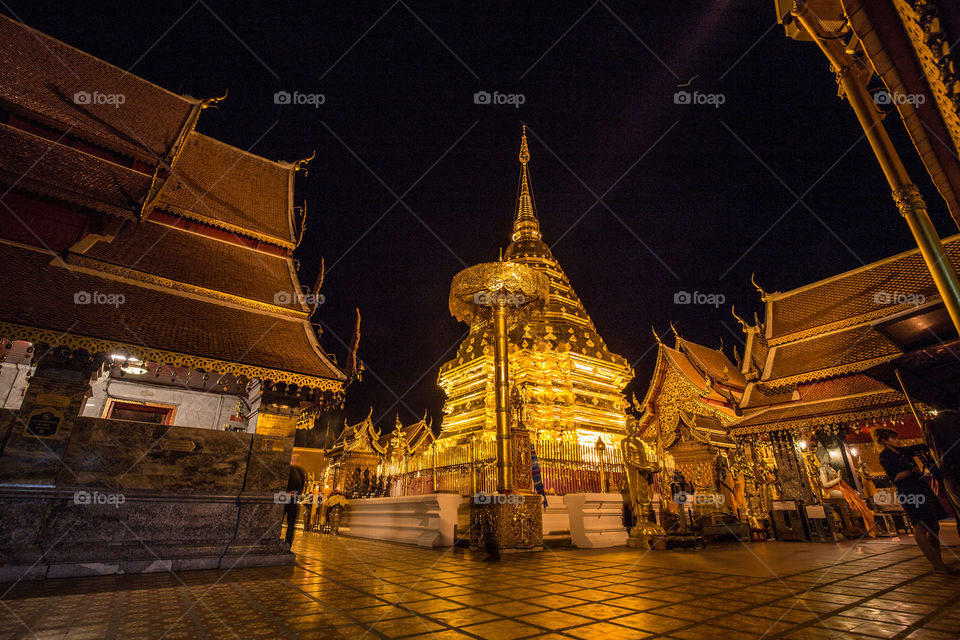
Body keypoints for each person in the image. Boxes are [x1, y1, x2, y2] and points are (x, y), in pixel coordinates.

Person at [873, 428, 956, 574]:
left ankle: (938, 560)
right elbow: (895, 477)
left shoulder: (902, 452)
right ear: (885, 440)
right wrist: (911, 472)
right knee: (920, 526)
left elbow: (917, 448)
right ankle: (936, 563)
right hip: (908, 490)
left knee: (934, 525)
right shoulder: (886, 456)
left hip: (919, 487)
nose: (898, 440)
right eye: (894, 438)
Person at [283, 455, 307, 548]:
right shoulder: (298, 471)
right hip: (288, 500)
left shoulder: (297, 471)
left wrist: (292, 494)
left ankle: (285, 544)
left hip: (288, 500)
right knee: (289, 524)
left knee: (289, 524)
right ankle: (285, 544)